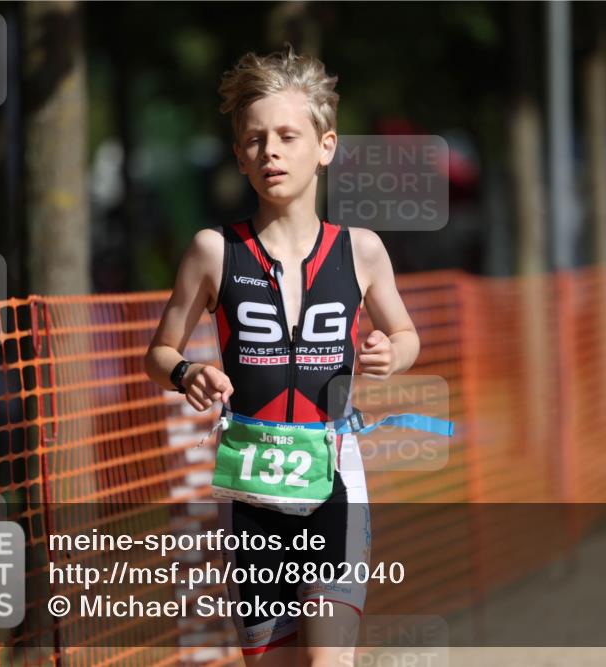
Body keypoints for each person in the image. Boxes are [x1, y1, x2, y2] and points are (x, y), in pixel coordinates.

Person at [144, 43, 425, 666]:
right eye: (254, 139)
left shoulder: (361, 250)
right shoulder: (213, 251)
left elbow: (407, 335)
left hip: (334, 479)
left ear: (325, 147)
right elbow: (159, 352)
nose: (270, 151)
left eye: (287, 136)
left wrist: (391, 352)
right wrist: (187, 372)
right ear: (239, 156)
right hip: (250, 490)